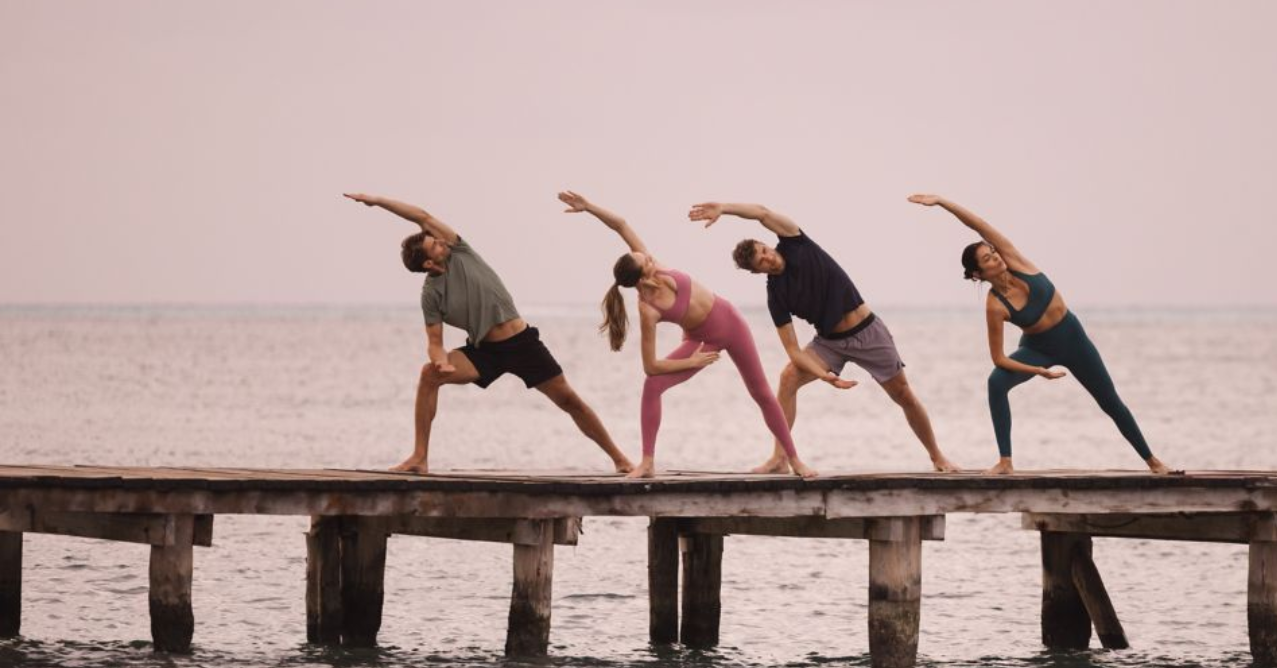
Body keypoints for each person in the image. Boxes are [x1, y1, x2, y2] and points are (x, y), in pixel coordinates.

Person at [343, 193, 633, 474]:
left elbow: (421, 215)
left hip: (522, 343)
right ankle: (420, 457)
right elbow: (434, 343)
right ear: (429, 264)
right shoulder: (431, 295)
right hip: (485, 351)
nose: (442, 241)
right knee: (428, 375)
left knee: (570, 401)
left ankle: (620, 459)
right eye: (435, 246)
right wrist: (440, 360)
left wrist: (378, 202)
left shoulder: (461, 251)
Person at [907, 194, 1172, 476]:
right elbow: (998, 359)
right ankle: (1005, 461)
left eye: (993, 253)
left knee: (1109, 400)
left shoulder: (1015, 260)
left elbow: (979, 226)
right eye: (988, 259)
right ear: (978, 273)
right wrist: (1037, 370)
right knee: (996, 383)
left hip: (1073, 338)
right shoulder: (995, 305)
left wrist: (942, 203)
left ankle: (1153, 462)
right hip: (1039, 348)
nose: (996, 258)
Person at [688, 201, 958, 473]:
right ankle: (780, 457)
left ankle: (937, 457)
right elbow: (793, 350)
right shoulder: (776, 296)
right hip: (830, 343)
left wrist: (723, 208)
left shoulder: (796, 243)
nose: (768, 258)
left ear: (766, 244)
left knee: (903, 395)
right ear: (757, 272)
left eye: (764, 251)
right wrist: (824, 374)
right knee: (788, 377)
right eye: (761, 262)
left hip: (868, 332)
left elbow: (762, 213)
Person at [561, 191, 815, 480]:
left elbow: (621, 225)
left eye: (642, 254)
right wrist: (691, 361)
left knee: (762, 393)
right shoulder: (648, 310)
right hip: (699, 342)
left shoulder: (655, 266)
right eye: (643, 259)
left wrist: (589, 207)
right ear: (643, 276)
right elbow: (651, 366)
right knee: (652, 385)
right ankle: (646, 463)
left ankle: (792, 460)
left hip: (732, 324)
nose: (647, 256)